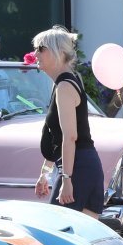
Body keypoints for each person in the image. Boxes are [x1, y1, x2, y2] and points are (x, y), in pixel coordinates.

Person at [29, 26, 103, 216]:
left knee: (56, 229)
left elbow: (70, 137)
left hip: (78, 167)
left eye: (41, 48)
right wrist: (45, 173)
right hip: (83, 165)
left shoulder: (64, 86)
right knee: (80, 232)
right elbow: (57, 137)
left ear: (59, 53)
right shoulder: (66, 82)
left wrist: (67, 179)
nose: (35, 54)